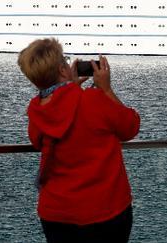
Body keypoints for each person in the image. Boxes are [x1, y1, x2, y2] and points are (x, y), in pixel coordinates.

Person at [18, 38, 140, 243]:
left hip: (56, 214)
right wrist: (107, 90)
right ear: (62, 70)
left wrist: (68, 88)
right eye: (65, 61)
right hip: (105, 210)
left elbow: (38, 141)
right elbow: (131, 127)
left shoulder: (36, 110)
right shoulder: (93, 100)